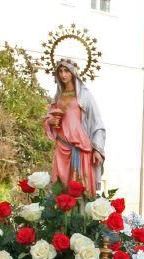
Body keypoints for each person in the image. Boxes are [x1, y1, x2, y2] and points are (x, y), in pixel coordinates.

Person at [43, 59, 106, 196]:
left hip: (81, 148)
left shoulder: (84, 95)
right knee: (60, 187)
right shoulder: (58, 97)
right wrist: (51, 121)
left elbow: (97, 122)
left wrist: (97, 149)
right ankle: (60, 216)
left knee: (82, 189)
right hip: (62, 146)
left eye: (66, 71)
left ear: (73, 73)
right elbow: (48, 117)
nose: (63, 75)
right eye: (60, 71)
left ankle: (82, 216)